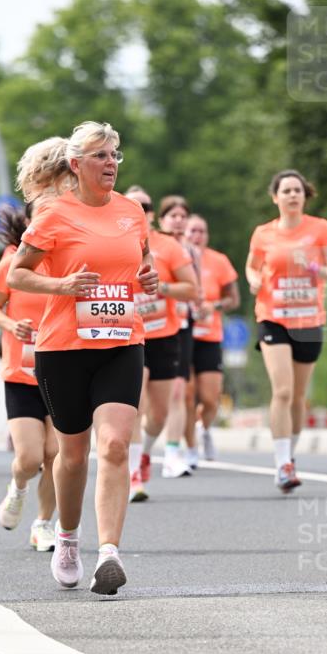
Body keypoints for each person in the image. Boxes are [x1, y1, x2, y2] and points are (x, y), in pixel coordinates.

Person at [8, 121, 158, 596]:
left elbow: (141, 265)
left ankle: (109, 553)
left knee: (114, 445)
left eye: (116, 155)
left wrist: (147, 282)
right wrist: (62, 286)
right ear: (77, 165)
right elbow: (17, 275)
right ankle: (68, 539)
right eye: (101, 155)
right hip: (64, 349)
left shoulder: (132, 212)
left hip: (121, 343)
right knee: (72, 455)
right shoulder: (54, 215)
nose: (111, 163)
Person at [0, 141, 65, 551]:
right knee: (31, 457)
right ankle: (17, 489)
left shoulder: (69, 257)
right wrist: (13, 325)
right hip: (21, 371)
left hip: (62, 365)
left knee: (56, 453)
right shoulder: (15, 259)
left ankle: (44, 523)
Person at [246, 171, 327, 492]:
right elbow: (251, 264)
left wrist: (312, 266)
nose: (292, 195)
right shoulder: (263, 233)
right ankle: (282, 463)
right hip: (272, 317)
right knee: (283, 391)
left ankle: (290, 453)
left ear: (305, 196)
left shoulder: (321, 229)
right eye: (285, 191)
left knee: (299, 397)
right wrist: (253, 278)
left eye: (297, 190)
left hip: (308, 319)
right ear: (275, 197)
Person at [124, 186, 197, 499]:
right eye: (133, 204)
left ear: (152, 214)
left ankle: (144, 453)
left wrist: (160, 287)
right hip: (128, 337)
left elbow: (191, 289)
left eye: (146, 205)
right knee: (135, 409)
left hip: (164, 336)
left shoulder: (168, 246)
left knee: (160, 414)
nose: (140, 210)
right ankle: (133, 477)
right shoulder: (114, 244)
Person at [185, 214, 240, 463]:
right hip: (181, 335)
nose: (197, 236)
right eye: (192, 231)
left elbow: (234, 299)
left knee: (210, 397)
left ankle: (203, 429)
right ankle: (189, 446)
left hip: (209, 336)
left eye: (202, 231)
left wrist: (213, 306)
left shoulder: (219, 261)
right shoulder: (177, 259)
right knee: (187, 394)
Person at [158, 195, 201, 470]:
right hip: (152, 326)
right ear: (161, 220)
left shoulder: (190, 251)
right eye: (172, 215)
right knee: (153, 398)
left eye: (183, 216)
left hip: (182, 324)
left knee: (179, 390)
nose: (178, 220)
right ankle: (143, 448)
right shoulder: (152, 246)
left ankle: (173, 452)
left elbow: (197, 290)